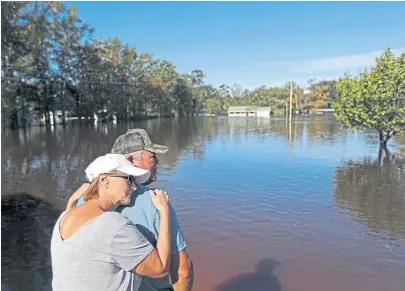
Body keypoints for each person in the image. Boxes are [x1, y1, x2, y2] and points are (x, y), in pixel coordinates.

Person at [66, 129, 194, 291]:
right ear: (130, 159)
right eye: (153, 158)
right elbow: (183, 271)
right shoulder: (156, 203)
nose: (157, 163)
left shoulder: (81, 201)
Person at [51, 153, 172, 291]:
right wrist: (164, 210)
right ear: (104, 180)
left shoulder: (63, 218)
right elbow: (160, 268)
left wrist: (71, 201)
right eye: (128, 179)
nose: (133, 187)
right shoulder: (114, 224)